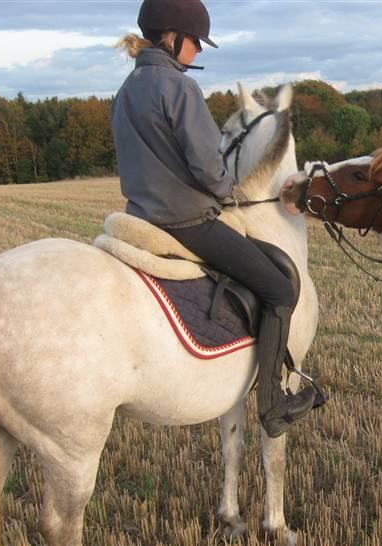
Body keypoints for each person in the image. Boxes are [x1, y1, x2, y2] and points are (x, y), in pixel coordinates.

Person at [111, 0, 317, 437]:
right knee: (279, 285)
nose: (199, 52)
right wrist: (231, 193)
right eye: (196, 43)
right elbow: (207, 167)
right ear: (173, 37)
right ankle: (273, 403)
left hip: (142, 218)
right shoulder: (179, 89)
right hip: (189, 223)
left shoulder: (127, 88)